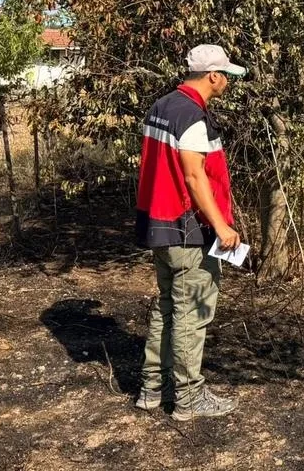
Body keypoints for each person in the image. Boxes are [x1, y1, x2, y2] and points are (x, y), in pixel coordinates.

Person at [132, 44, 245, 420]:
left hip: (158, 226)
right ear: (212, 76)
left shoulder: (161, 107)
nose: (227, 81)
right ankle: (188, 398)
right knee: (191, 313)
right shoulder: (193, 117)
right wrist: (221, 226)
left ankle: (150, 389)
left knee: (167, 307)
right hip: (186, 230)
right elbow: (195, 176)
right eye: (225, 74)